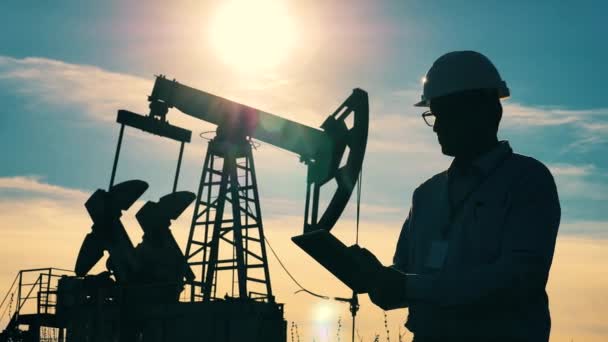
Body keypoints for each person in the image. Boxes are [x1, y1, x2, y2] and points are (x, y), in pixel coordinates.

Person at [366, 51, 561, 341]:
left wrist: (409, 287)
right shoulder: (426, 195)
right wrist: (376, 278)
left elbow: (518, 281)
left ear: (488, 111)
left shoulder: (527, 180)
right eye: (434, 115)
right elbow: (407, 275)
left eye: (448, 114)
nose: (438, 127)